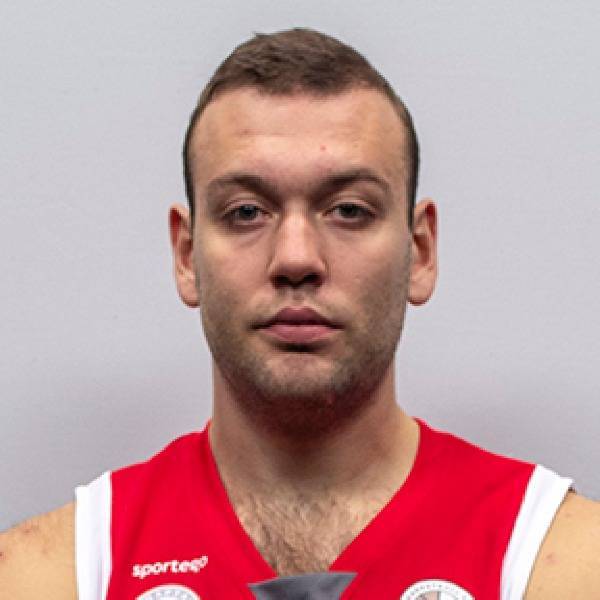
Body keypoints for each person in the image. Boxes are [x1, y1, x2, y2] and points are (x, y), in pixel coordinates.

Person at [1, 27, 599, 600]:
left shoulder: (567, 560)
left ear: (420, 251)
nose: (295, 258)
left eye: (348, 210)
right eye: (245, 212)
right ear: (186, 255)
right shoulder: (48, 575)